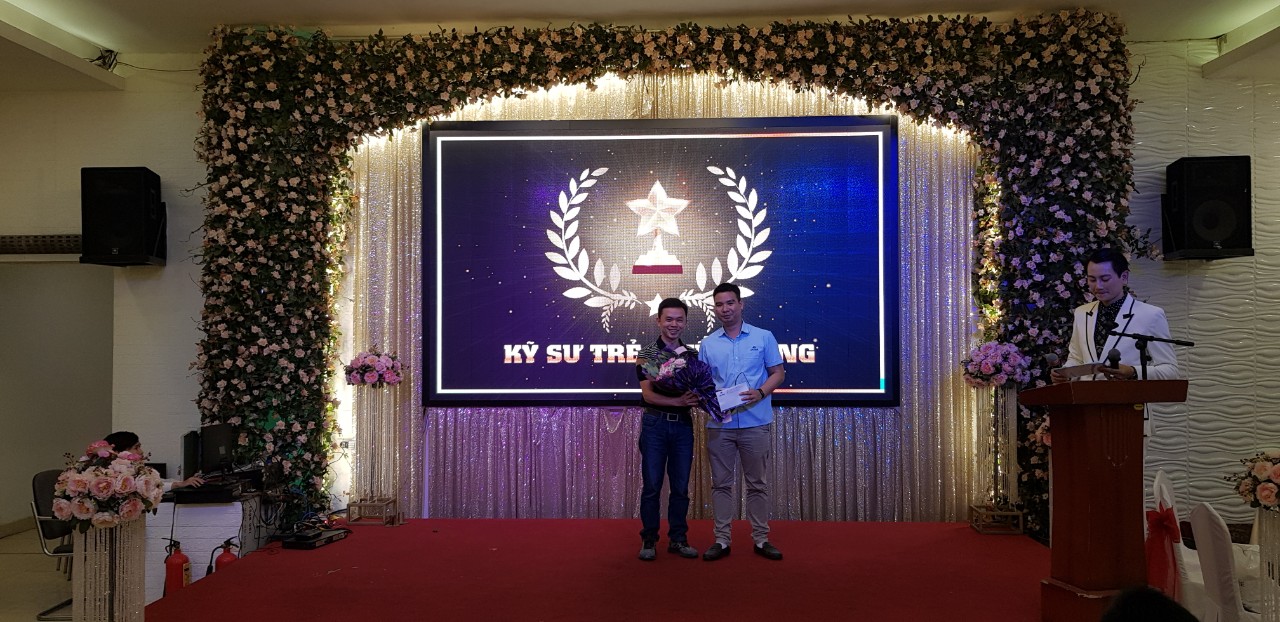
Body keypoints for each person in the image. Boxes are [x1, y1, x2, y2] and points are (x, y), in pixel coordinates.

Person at [698, 282, 785, 561]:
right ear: (715, 308)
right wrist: (708, 401)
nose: (725, 309)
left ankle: (761, 538)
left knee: (757, 484)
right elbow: (703, 385)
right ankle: (722, 540)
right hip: (720, 425)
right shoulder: (708, 344)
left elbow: (778, 373)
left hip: (755, 423)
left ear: (740, 304)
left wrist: (760, 392)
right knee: (721, 485)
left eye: (730, 303)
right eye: (719, 304)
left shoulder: (763, 337)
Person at [634, 298, 702, 561]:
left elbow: (698, 390)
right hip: (655, 424)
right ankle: (649, 539)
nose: (674, 324)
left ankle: (678, 539)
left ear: (685, 322)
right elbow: (648, 395)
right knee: (652, 486)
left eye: (679, 319)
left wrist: (709, 400)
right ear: (659, 321)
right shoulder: (647, 354)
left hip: (683, 426)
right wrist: (678, 401)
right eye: (669, 319)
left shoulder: (692, 355)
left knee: (681, 487)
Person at [1051, 248, 1180, 384]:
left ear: (1124, 277)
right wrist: (1065, 372)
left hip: (1128, 396)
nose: (1098, 286)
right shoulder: (1081, 313)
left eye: (1105, 279)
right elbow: (1077, 358)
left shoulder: (1150, 315)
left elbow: (1170, 370)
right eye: (1092, 279)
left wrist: (1133, 372)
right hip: (1087, 396)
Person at [104, 431, 205, 491]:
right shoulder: (112, 474)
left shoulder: (135, 469)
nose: (141, 452)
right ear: (118, 452)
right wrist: (179, 484)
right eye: (136, 447)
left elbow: (159, 482)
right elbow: (147, 487)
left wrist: (184, 482)